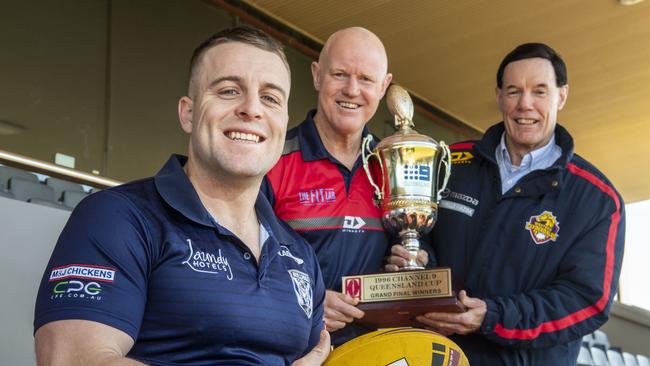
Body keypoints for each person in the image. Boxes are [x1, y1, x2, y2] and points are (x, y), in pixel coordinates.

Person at [33, 26, 330, 366]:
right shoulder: (118, 217)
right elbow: (72, 361)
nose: (252, 109)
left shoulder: (300, 255)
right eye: (229, 90)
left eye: (270, 98)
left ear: (283, 121)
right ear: (188, 113)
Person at [389, 43, 625, 365]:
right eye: (514, 91)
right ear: (499, 96)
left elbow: (585, 301)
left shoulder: (596, 199)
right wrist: (415, 259)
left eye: (539, 92)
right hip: (435, 356)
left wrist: (492, 316)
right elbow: (422, 238)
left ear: (561, 96)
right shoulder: (451, 163)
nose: (524, 105)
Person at [263, 27, 429, 343]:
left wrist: (412, 262)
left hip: (371, 350)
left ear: (384, 86)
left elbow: (421, 249)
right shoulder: (270, 159)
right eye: (340, 74)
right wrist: (307, 299)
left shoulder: (395, 166)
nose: (352, 90)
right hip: (286, 349)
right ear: (316, 75)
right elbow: (238, 259)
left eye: (366, 79)